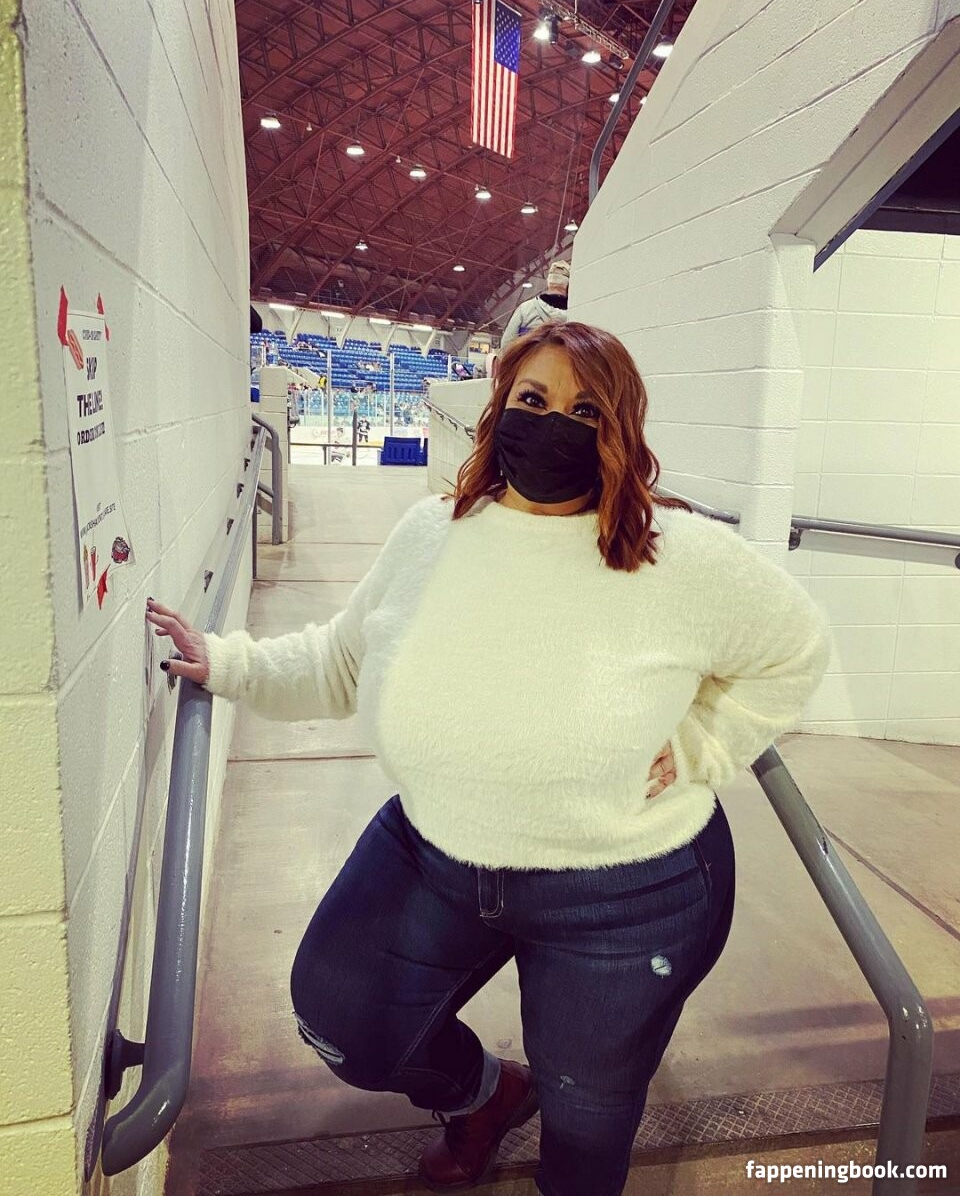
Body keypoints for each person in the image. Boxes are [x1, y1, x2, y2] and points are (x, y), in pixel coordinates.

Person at [146, 322, 829, 1196]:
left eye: (585, 411)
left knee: (586, 1115)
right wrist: (228, 662)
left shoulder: (677, 554)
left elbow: (796, 649)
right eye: (533, 400)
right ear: (499, 406)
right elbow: (339, 661)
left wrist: (705, 742)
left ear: (620, 429)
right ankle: (483, 1095)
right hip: (435, 852)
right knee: (345, 1020)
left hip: (625, 892)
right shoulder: (432, 533)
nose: (553, 425)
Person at [500, 259, 570, 349]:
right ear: (568, 285)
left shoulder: (526, 308)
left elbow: (506, 344)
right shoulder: (574, 313)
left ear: (548, 282)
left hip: (528, 357)